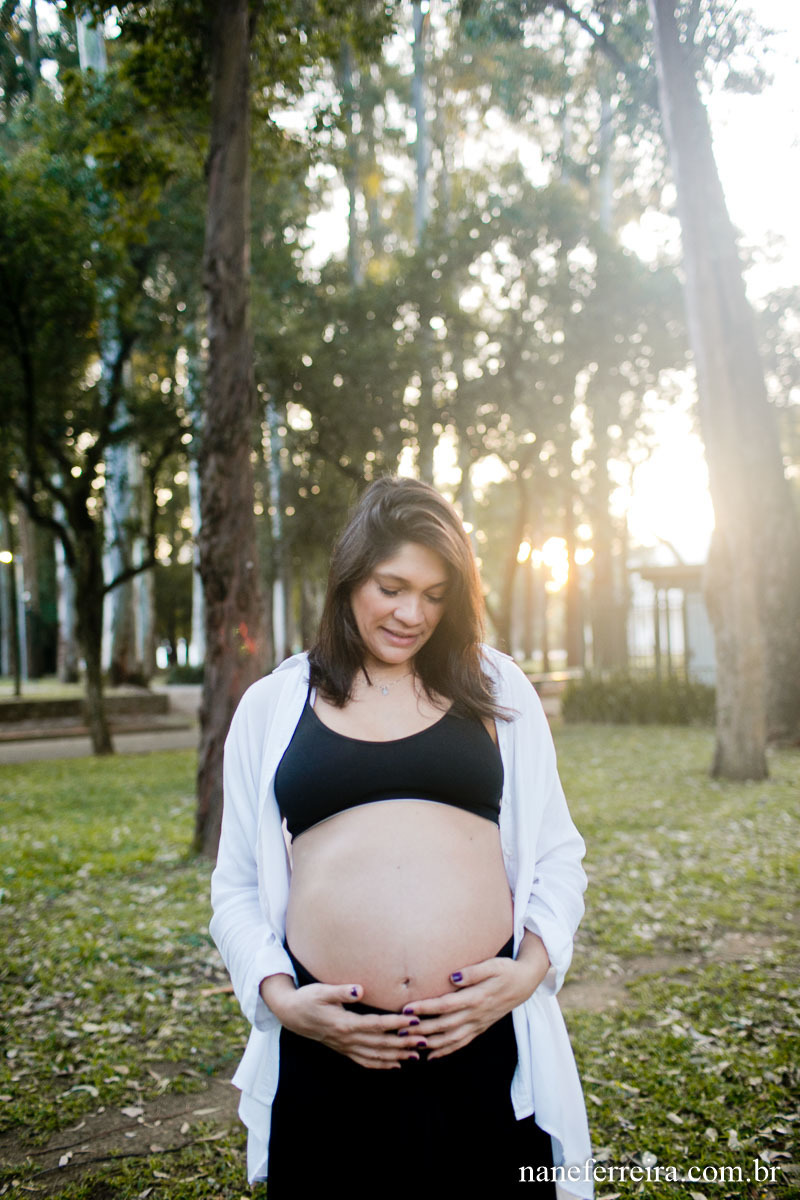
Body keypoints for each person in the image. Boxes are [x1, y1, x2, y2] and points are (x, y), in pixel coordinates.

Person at [210, 476, 592, 1198]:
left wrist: (526, 973)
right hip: (331, 1056)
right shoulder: (272, 707)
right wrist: (283, 1001)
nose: (412, 613)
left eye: (436, 594)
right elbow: (233, 886)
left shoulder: (497, 691)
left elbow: (556, 858)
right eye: (392, 587)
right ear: (350, 577)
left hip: (481, 1043)